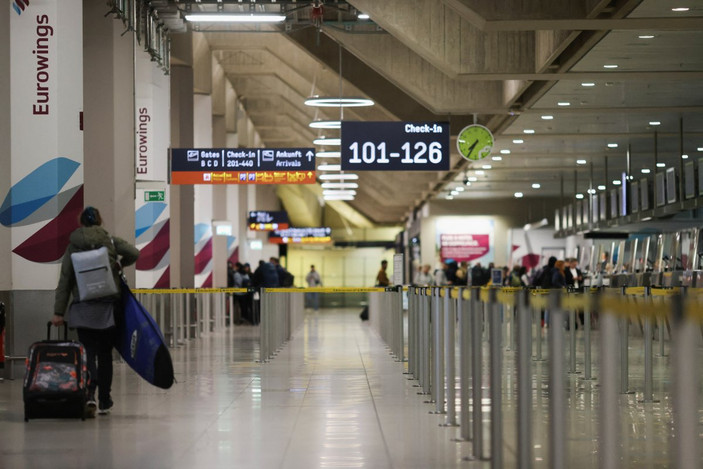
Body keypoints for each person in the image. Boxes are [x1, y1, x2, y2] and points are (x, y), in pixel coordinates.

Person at [52, 206, 139, 416]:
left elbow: (65, 280)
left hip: (83, 307)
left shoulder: (73, 246)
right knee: (105, 354)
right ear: (99, 221)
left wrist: (58, 312)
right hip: (108, 306)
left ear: (81, 222)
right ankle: (105, 399)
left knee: (87, 352)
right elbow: (134, 253)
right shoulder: (109, 241)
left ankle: (89, 393)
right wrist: (119, 264)